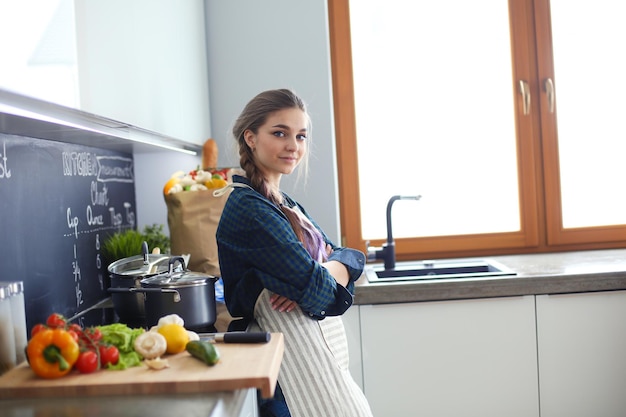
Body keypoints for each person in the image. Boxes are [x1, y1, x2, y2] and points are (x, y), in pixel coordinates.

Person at [216, 89, 373, 417]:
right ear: (251, 138)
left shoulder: (284, 204)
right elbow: (318, 289)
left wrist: (326, 269)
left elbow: (350, 258)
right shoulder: (250, 210)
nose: (293, 146)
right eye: (279, 133)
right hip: (285, 376)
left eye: (301, 136)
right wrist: (322, 271)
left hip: (310, 357)